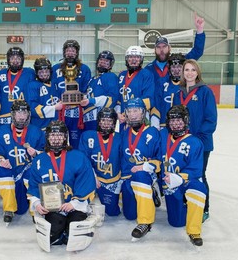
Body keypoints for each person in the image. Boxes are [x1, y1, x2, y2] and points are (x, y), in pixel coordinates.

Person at [28, 121, 96, 251]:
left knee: (74, 235)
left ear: (65, 137)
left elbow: (87, 182)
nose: (56, 139)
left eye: (59, 135)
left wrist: (74, 204)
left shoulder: (78, 157)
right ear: (47, 137)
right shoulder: (39, 160)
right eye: (52, 135)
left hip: (74, 205)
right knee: (53, 237)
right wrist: (37, 203)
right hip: (53, 207)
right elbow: (34, 185)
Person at [172, 59, 217, 222]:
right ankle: (187, 203)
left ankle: (204, 208)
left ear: (197, 72)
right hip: (182, 143)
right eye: (186, 70)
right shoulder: (178, 93)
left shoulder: (205, 92)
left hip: (201, 143)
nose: (189, 73)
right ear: (182, 73)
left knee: (199, 175)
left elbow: (211, 119)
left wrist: (196, 139)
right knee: (185, 174)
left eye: (193, 70)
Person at [0, 100, 45, 224]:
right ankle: (8, 209)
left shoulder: (36, 131)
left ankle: (35, 209)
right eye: (18, 113)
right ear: (12, 114)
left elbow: (46, 155)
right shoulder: (1, 131)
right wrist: (0, 161)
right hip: (11, 172)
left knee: (34, 172)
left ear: (28, 115)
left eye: (24, 113)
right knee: (0, 172)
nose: (21, 117)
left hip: (26, 172)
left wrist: (36, 153)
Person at [160, 105, 207, 246]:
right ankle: (184, 207)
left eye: (179, 120)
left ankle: (194, 230)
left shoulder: (194, 142)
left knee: (199, 188)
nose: (175, 124)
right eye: (172, 121)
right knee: (176, 222)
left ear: (186, 121)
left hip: (186, 182)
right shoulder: (162, 135)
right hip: (168, 184)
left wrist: (179, 178)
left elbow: (196, 170)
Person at [119, 98, 161, 240]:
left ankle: (145, 222)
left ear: (143, 113)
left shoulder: (153, 133)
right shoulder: (124, 133)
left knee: (141, 176)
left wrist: (144, 167)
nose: (133, 114)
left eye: (136, 110)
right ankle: (150, 195)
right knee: (129, 215)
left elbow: (161, 159)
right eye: (129, 111)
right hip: (127, 180)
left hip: (145, 176)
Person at [79, 108, 121, 216]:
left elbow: (124, 161)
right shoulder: (88, 136)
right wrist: (92, 176)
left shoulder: (120, 138)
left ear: (114, 123)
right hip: (93, 178)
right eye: (103, 120)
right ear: (98, 121)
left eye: (109, 121)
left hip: (111, 180)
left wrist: (121, 182)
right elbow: (83, 160)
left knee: (112, 212)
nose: (106, 124)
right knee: (81, 208)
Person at [144, 12, 206, 84]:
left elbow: (197, 51)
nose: (161, 50)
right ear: (154, 50)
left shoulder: (182, 61)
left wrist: (200, 29)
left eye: (164, 46)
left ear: (169, 48)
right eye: (158, 47)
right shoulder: (149, 69)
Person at [52, 39, 91, 148]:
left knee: (75, 140)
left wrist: (77, 100)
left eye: (73, 51)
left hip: (76, 112)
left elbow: (86, 89)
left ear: (77, 52)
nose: (70, 53)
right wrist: (58, 103)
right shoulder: (55, 68)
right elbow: (52, 89)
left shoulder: (84, 69)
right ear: (64, 52)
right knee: (58, 140)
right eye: (68, 50)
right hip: (60, 111)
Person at [116, 46, 154, 130]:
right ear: (126, 59)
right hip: (123, 118)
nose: (133, 60)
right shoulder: (122, 75)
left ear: (141, 59)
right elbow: (118, 99)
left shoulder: (146, 74)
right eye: (130, 57)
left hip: (139, 118)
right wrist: (118, 113)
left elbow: (149, 99)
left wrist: (133, 114)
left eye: (137, 57)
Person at [80, 50, 120, 131]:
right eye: (101, 60)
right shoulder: (92, 79)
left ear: (110, 65)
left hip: (102, 119)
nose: (103, 62)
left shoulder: (110, 76)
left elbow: (112, 99)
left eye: (106, 61)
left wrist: (92, 100)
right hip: (87, 119)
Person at [0, 47, 35, 125]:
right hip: (4, 115)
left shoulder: (30, 73)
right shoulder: (1, 74)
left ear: (22, 60)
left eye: (18, 58)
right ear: (8, 59)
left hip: (23, 116)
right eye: (12, 58)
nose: (15, 61)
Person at [151, 53, 186, 129]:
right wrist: (155, 125)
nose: (176, 70)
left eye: (179, 67)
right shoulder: (161, 83)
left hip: (182, 128)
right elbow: (156, 105)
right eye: (173, 66)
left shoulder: (188, 85)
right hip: (163, 127)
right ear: (169, 68)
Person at [28, 57, 63, 131]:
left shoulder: (54, 84)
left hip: (56, 127)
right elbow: (32, 108)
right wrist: (54, 108)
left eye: (46, 71)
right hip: (40, 128)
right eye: (41, 72)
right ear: (36, 73)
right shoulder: (32, 86)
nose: (44, 74)